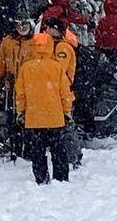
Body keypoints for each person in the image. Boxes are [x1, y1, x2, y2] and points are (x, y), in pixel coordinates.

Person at [15, 33, 74, 184]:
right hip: (55, 118)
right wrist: (67, 111)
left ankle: (41, 179)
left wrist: (21, 112)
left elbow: (20, 94)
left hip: (34, 118)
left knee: (37, 152)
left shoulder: (26, 68)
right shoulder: (57, 67)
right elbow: (65, 93)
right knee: (58, 151)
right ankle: (60, 179)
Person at [0, 19, 32, 83]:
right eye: (20, 24)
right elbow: (0, 63)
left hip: (27, 83)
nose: (22, 27)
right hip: (10, 83)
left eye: (25, 24)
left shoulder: (35, 42)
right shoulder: (8, 41)